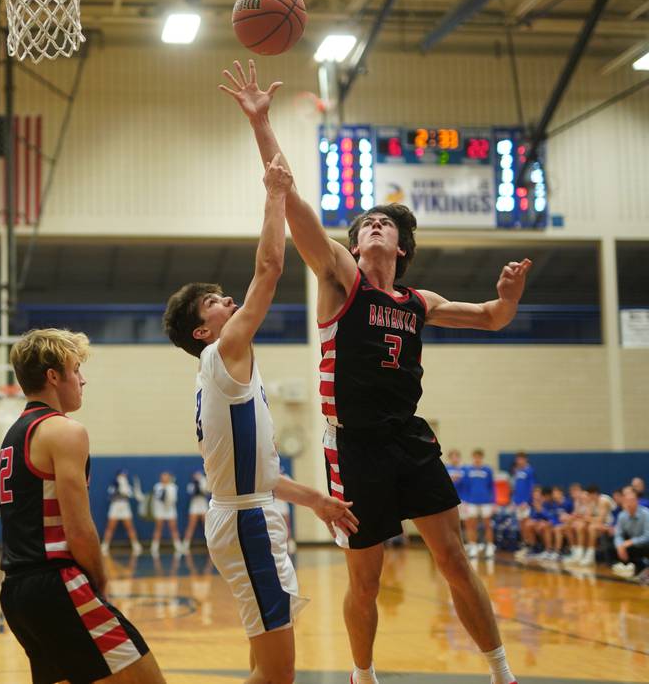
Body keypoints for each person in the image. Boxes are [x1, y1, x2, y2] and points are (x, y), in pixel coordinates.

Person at [221, 59, 529, 684]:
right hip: (354, 446)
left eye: (386, 223)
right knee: (367, 580)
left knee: (454, 557)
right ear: (355, 246)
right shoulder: (341, 279)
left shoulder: (421, 303)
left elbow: (494, 318)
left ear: (402, 248)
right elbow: (297, 203)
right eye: (366, 225)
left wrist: (510, 296)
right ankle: (363, 676)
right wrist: (262, 125)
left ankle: (501, 673)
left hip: (408, 439)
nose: (375, 226)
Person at [163, 151, 358, 684]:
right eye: (214, 303)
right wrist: (274, 194)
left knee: (262, 661)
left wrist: (316, 500)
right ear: (203, 331)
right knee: (278, 675)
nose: (227, 300)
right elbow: (269, 270)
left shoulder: (223, 372)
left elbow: (263, 475)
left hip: (248, 511)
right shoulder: (223, 354)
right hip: (247, 521)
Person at [0, 328, 164, 684]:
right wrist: (99, 580)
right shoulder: (64, 430)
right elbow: (78, 527)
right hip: (56, 583)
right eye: (76, 369)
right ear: (53, 376)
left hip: (16, 592)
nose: (82, 379)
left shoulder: (14, 434)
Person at [463, 449, 496, 559]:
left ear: (482, 458)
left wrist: (494, 502)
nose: (477, 459)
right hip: (472, 501)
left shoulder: (488, 470)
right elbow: (466, 487)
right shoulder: (468, 470)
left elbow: (492, 486)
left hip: (486, 501)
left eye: (479, 457)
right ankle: (473, 546)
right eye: (475, 457)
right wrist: (466, 501)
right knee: (472, 525)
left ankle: (490, 546)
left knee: (488, 524)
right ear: (473, 457)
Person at [101, 469, 143, 556]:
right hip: (115, 506)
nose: (123, 477)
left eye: (124, 475)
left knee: (130, 527)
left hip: (125, 506)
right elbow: (110, 495)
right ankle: (105, 545)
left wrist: (137, 493)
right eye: (122, 475)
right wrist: (118, 488)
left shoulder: (127, 486)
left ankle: (135, 545)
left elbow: (132, 495)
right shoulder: (113, 485)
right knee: (110, 527)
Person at [611, 487, 649, 578]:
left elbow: (647, 536)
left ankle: (643, 568)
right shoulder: (622, 515)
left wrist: (630, 542)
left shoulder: (646, 514)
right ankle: (629, 566)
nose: (629, 503)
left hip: (645, 544)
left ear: (637, 501)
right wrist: (620, 546)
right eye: (627, 500)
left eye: (632, 500)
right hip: (632, 546)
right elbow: (618, 534)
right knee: (616, 547)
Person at [150, 472, 181, 555]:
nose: (165, 478)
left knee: (173, 528)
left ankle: (178, 546)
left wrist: (168, 490)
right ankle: (154, 547)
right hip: (160, 511)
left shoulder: (173, 487)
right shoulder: (157, 486)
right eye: (163, 476)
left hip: (170, 510)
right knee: (158, 528)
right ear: (161, 478)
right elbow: (158, 498)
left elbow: (173, 499)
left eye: (167, 477)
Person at [510, 452, 535, 548]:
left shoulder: (529, 471)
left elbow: (531, 487)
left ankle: (532, 546)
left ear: (525, 459)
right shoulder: (516, 471)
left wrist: (527, 501)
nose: (519, 461)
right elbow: (515, 487)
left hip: (526, 503)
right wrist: (514, 500)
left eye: (521, 459)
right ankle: (526, 544)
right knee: (521, 526)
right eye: (518, 459)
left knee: (527, 525)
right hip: (517, 502)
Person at [182, 470, 210, 552]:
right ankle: (186, 544)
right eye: (196, 475)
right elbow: (191, 494)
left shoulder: (204, 482)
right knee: (191, 526)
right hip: (194, 506)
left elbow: (206, 492)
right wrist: (196, 485)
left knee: (207, 526)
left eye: (199, 475)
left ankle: (211, 544)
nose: (197, 476)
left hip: (203, 506)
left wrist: (201, 483)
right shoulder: (191, 485)